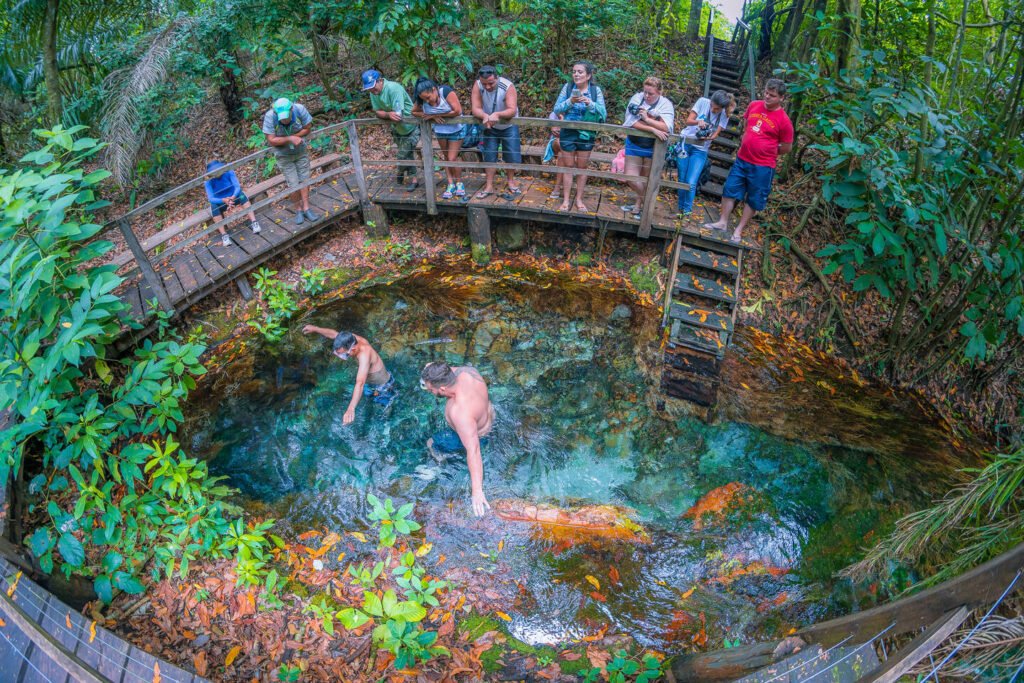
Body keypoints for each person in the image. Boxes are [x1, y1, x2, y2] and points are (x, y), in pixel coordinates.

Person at [705, 79, 793, 242]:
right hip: (742, 159)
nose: (767, 97)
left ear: (781, 98)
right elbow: (746, 124)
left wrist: (767, 151)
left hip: (763, 166)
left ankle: (738, 230)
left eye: (772, 95)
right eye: (766, 92)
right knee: (730, 189)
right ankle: (723, 222)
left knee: (753, 198)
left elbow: (787, 147)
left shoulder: (784, 121)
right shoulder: (754, 105)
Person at [419, 362, 494, 517]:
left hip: (477, 436)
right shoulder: (467, 372)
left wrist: (477, 491)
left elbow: (473, 451)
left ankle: (439, 465)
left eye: (431, 389)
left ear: (443, 389)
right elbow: (437, 367)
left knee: (431, 443)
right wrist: (429, 372)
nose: (429, 391)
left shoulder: (460, 412)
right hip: (489, 418)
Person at [302, 326, 396, 423]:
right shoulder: (350, 339)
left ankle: (388, 425)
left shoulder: (364, 355)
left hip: (383, 387)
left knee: (384, 415)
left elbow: (360, 383)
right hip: (370, 384)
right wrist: (315, 329)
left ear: (353, 349)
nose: (343, 357)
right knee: (369, 405)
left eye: (345, 354)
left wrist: (351, 408)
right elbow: (334, 334)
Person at [552, 61, 607, 213]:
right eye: (574, 71)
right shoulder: (568, 88)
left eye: (580, 72)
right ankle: (566, 200)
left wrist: (590, 103)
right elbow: (556, 108)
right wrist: (570, 101)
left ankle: (579, 199)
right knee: (568, 166)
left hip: (587, 132)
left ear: (588, 75)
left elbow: (603, 113)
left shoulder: (595, 91)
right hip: (568, 131)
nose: (576, 74)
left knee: (582, 167)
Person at [619, 77, 675, 221]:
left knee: (645, 178)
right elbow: (631, 122)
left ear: (660, 92)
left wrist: (647, 119)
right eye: (645, 92)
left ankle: (638, 206)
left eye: (651, 94)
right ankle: (648, 201)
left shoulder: (665, 104)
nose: (647, 96)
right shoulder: (637, 98)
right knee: (630, 177)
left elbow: (666, 127)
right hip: (634, 143)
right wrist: (652, 128)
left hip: (653, 147)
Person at [676, 89, 734, 217]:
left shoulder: (724, 114)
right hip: (685, 144)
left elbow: (714, 135)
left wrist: (707, 136)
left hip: (700, 149)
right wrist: (698, 122)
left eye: (717, 109)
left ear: (722, 108)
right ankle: (679, 208)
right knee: (682, 178)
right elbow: (688, 121)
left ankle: (687, 211)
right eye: (712, 106)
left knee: (691, 181)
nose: (713, 110)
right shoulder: (702, 102)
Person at [262, 97, 318, 226]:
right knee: (293, 183)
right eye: (281, 117)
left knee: (305, 180)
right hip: (283, 155)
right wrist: (290, 138)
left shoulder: (299, 109)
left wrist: (295, 137)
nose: (284, 119)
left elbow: (308, 127)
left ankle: (306, 208)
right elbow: (271, 140)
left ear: (291, 109)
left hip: (300, 151)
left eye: (286, 116)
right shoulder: (270, 117)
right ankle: (298, 210)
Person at [469, 65, 522, 200]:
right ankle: (489, 185)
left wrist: (497, 114)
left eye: (491, 83)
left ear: (497, 78)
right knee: (489, 155)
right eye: (484, 83)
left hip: (509, 125)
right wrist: (484, 116)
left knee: (511, 155)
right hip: (489, 126)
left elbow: (512, 109)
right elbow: (475, 108)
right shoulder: (478, 85)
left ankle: (510, 181)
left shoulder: (507, 86)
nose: (487, 87)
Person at [362, 69, 420, 190]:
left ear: (380, 81)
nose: (372, 90)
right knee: (407, 154)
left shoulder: (393, 88)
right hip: (397, 129)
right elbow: (377, 112)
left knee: (402, 155)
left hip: (411, 125)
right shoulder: (373, 93)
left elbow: (398, 115)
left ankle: (400, 172)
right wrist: (388, 115)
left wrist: (388, 114)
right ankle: (414, 180)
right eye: (369, 88)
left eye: (373, 87)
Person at [412, 77, 466, 200]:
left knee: (452, 158)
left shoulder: (445, 92)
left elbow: (457, 111)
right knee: (446, 157)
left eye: (428, 97)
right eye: (424, 99)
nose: (427, 101)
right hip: (440, 131)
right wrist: (430, 116)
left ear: (434, 89)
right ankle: (450, 183)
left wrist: (436, 114)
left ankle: (459, 183)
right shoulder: (422, 100)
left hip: (456, 129)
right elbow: (414, 112)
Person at [203, 160, 262, 247]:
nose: (217, 172)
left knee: (242, 195)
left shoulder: (229, 172)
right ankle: (224, 235)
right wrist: (224, 200)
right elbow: (211, 198)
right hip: (221, 201)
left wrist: (233, 196)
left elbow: (237, 186)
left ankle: (254, 222)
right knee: (214, 207)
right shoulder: (208, 182)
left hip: (233, 196)